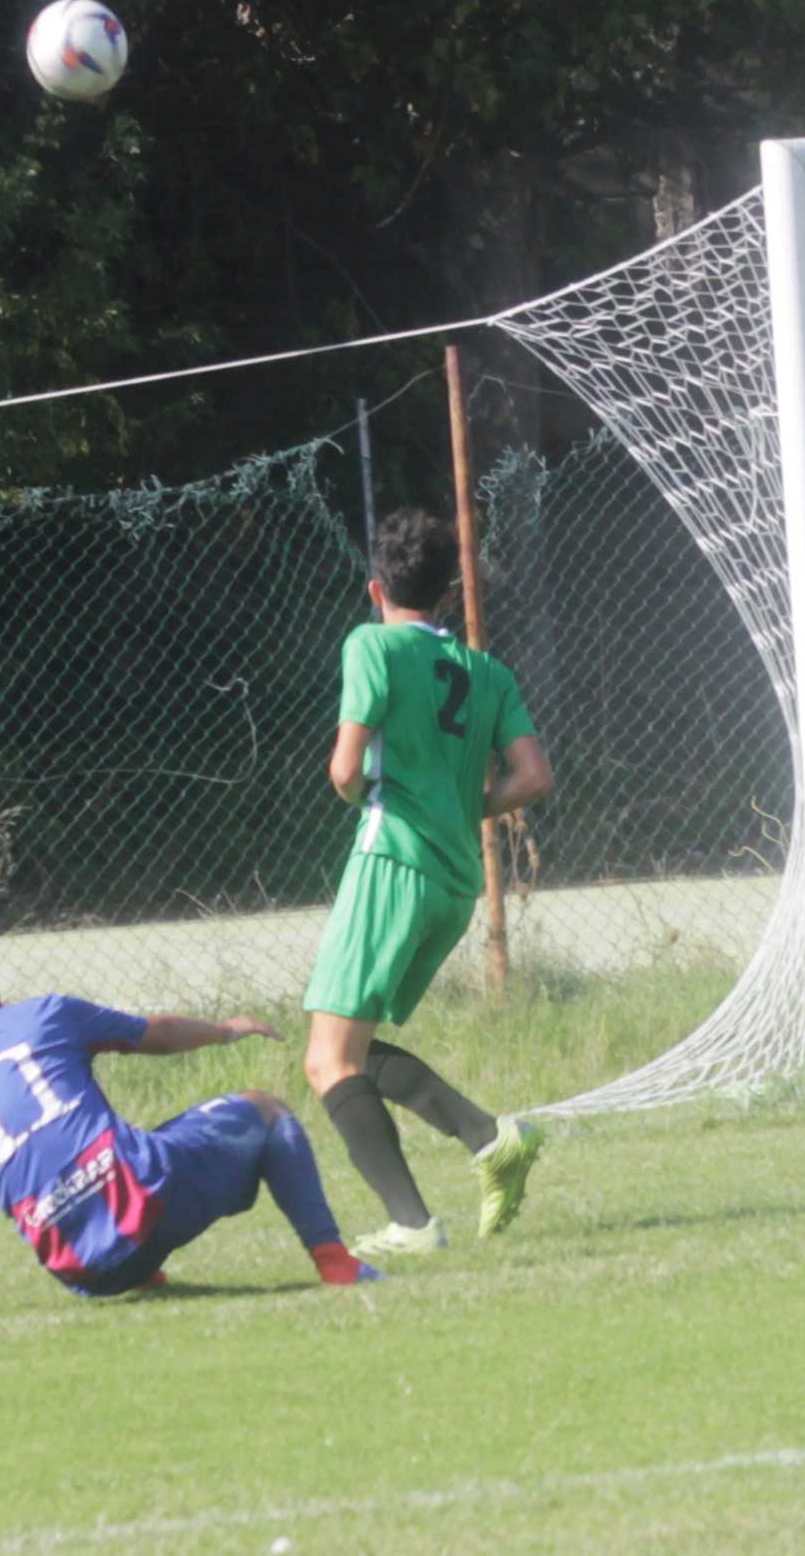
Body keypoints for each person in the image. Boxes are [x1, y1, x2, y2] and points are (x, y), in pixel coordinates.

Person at [303, 508, 556, 1261]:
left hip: (392, 862)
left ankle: (416, 1219)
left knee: (328, 1059)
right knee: (342, 1046)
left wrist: (367, 799)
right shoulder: (488, 671)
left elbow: (345, 771)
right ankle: (488, 1139)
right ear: (448, 595)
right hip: (453, 878)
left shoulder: (370, 644)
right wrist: (469, 804)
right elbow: (534, 775)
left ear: (375, 588)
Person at [0, 956, 376, 1320]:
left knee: (113, 1171)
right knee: (267, 1110)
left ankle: (137, 1270)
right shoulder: (45, 1014)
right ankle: (334, 1261)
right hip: (151, 1200)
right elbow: (154, 1033)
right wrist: (225, 1030)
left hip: (79, 1269)